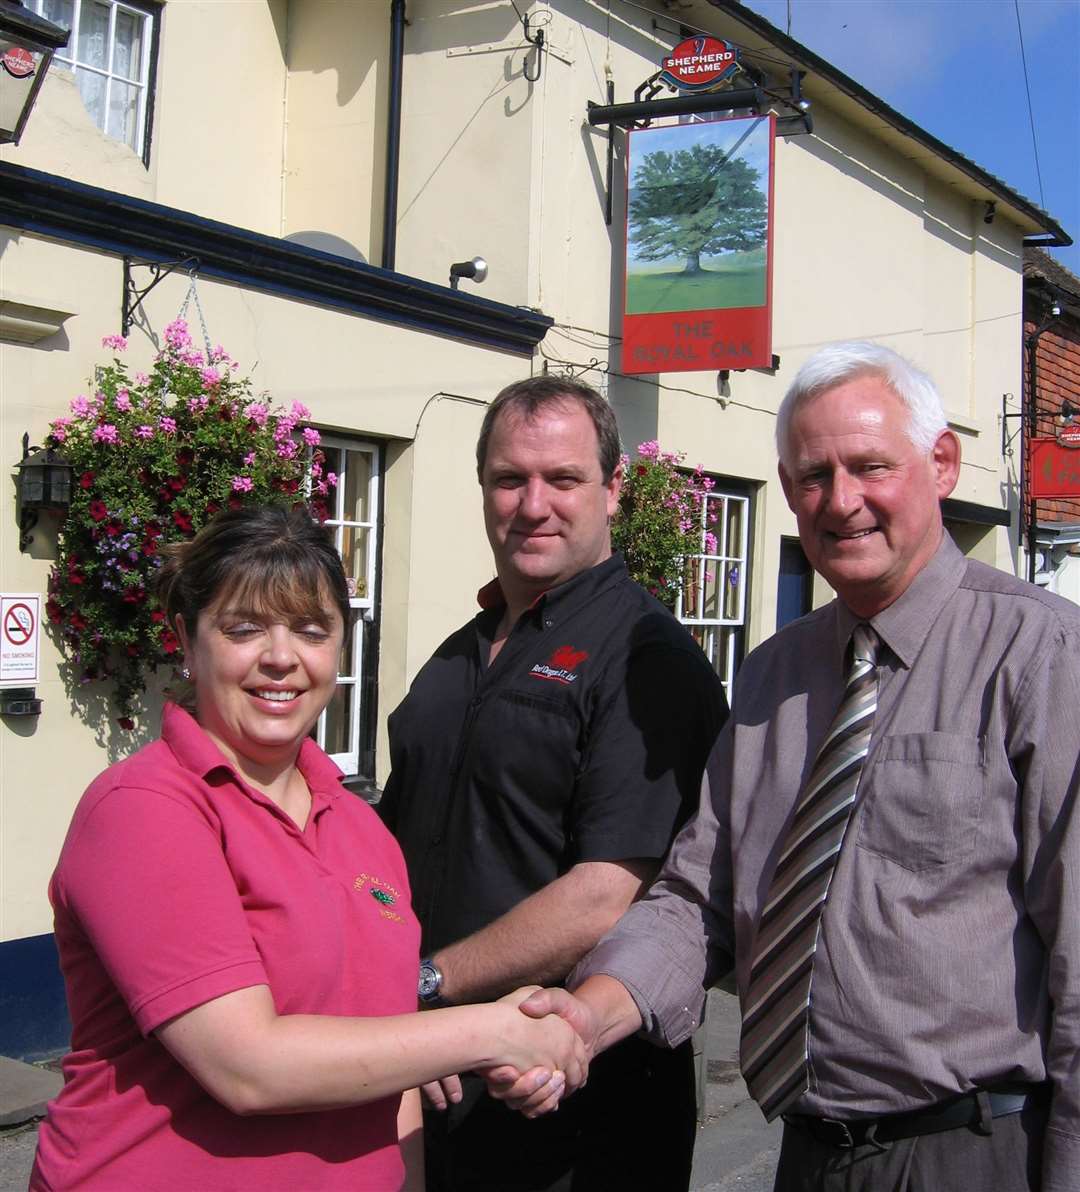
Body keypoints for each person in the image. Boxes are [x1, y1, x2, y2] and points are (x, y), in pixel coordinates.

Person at [497, 342, 1080, 1192]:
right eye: (813, 476)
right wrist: (587, 1018)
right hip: (807, 1153)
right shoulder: (775, 674)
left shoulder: (1042, 654)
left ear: (942, 463)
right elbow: (697, 896)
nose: (842, 501)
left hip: (974, 1152)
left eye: (871, 466)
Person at [31, 504, 585, 1192]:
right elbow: (247, 1066)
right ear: (185, 639)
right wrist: (496, 1032)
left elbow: (396, 1073)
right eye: (243, 629)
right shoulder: (146, 810)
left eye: (311, 630)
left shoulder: (362, 829)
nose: (281, 658)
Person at [378, 376, 727, 1190]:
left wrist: (428, 985)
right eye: (510, 479)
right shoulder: (459, 653)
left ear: (611, 489)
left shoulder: (648, 659)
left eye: (562, 480)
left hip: (572, 1106)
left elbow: (612, 889)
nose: (533, 504)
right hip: (434, 1081)